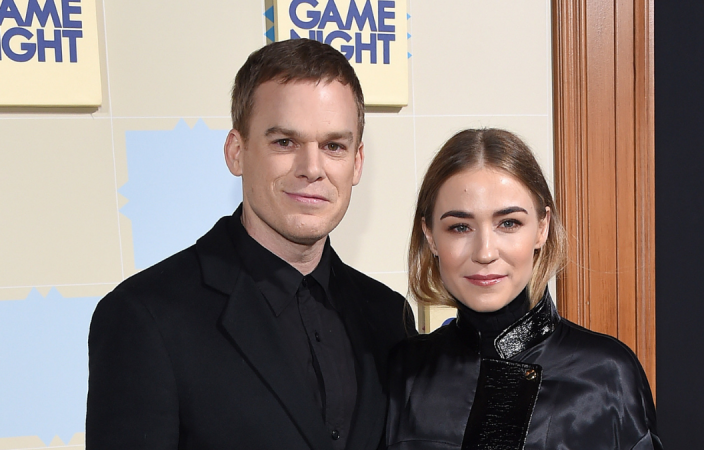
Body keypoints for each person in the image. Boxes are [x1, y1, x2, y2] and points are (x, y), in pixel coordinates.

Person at [86, 39, 415, 450]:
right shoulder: (146, 317)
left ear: (357, 163)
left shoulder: (389, 317)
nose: (312, 168)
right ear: (237, 152)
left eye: (333, 146)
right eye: (285, 142)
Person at [385, 129, 661, 450]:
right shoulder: (404, 371)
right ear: (431, 236)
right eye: (460, 227)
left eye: (509, 223)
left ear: (542, 228)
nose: (485, 252)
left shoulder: (607, 374)